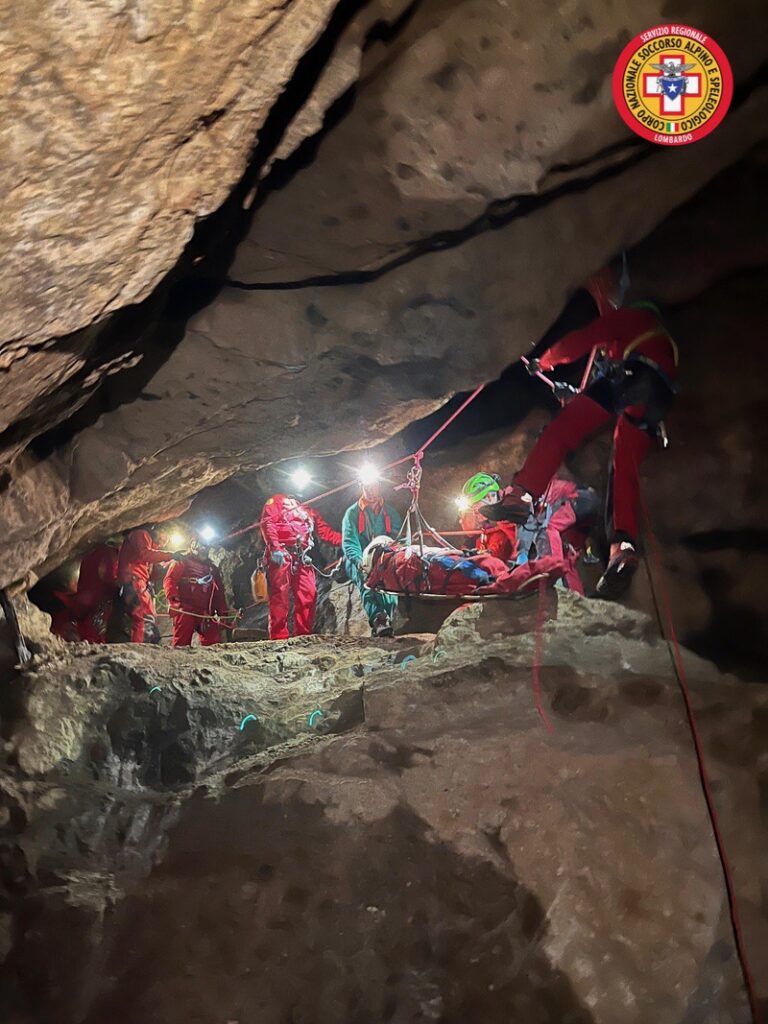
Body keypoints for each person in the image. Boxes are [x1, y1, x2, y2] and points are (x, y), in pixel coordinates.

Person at [484, 272, 677, 599]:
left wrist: (544, 362)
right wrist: (576, 395)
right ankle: (623, 547)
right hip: (657, 399)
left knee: (561, 431)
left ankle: (520, 496)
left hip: (633, 377)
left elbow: (582, 340)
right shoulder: (661, 340)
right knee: (624, 470)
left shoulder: (631, 318)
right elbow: (606, 391)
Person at [259, 494, 341, 640]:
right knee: (280, 596)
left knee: (309, 593)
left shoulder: (308, 510)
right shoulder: (277, 501)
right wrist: (275, 547)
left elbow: (325, 533)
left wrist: (347, 540)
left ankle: (303, 635)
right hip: (282, 554)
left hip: (302, 556)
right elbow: (268, 522)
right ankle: (278, 637)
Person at [341, 473, 402, 637]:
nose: (369, 489)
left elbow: (400, 538)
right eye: (365, 486)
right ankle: (378, 619)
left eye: (372, 485)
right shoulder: (353, 513)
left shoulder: (390, 513)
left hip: (383, 559)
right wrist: (360, 561)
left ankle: (388, 617)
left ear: (379, 486)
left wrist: (398, 558)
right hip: (358, 559)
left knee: (391, 581)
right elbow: (349, 542)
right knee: (366, 579)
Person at [164, 539, 232, 647]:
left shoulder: (212, 568)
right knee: (181, 644)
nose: (204, 549)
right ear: (193, 545)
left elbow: (218, 592)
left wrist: (222, 612)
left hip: (205, 613)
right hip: (186, 610)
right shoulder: (183, 560)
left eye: (207, 546)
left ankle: (210, 663)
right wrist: (173, 600)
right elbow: (170, 579)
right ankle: (179, 662)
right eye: (202, 545)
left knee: (214, 643)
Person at [116, 526, 177, 644]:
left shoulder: (150, 545)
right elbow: (145, 554)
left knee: (143, 616)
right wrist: (170, 555)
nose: (165, 542)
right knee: (144, 615)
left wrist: (165, 566)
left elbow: (151, 572)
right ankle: (142, 647)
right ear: (160, 529)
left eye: (167, 541)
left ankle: (142, 644)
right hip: (134, 580)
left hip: (137, 581)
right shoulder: (141, 534)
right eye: (165, 537)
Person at [458, 473, 518, 562]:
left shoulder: (515, 509)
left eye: (476, 508)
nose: (475, 514)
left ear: (490, 497)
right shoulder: (503, 519)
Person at [73, 540, 120, 643]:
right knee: (96, 629)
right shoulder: (108, 554)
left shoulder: (90, 552)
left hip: (84, 597)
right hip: (98, 598)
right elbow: (108, 576)